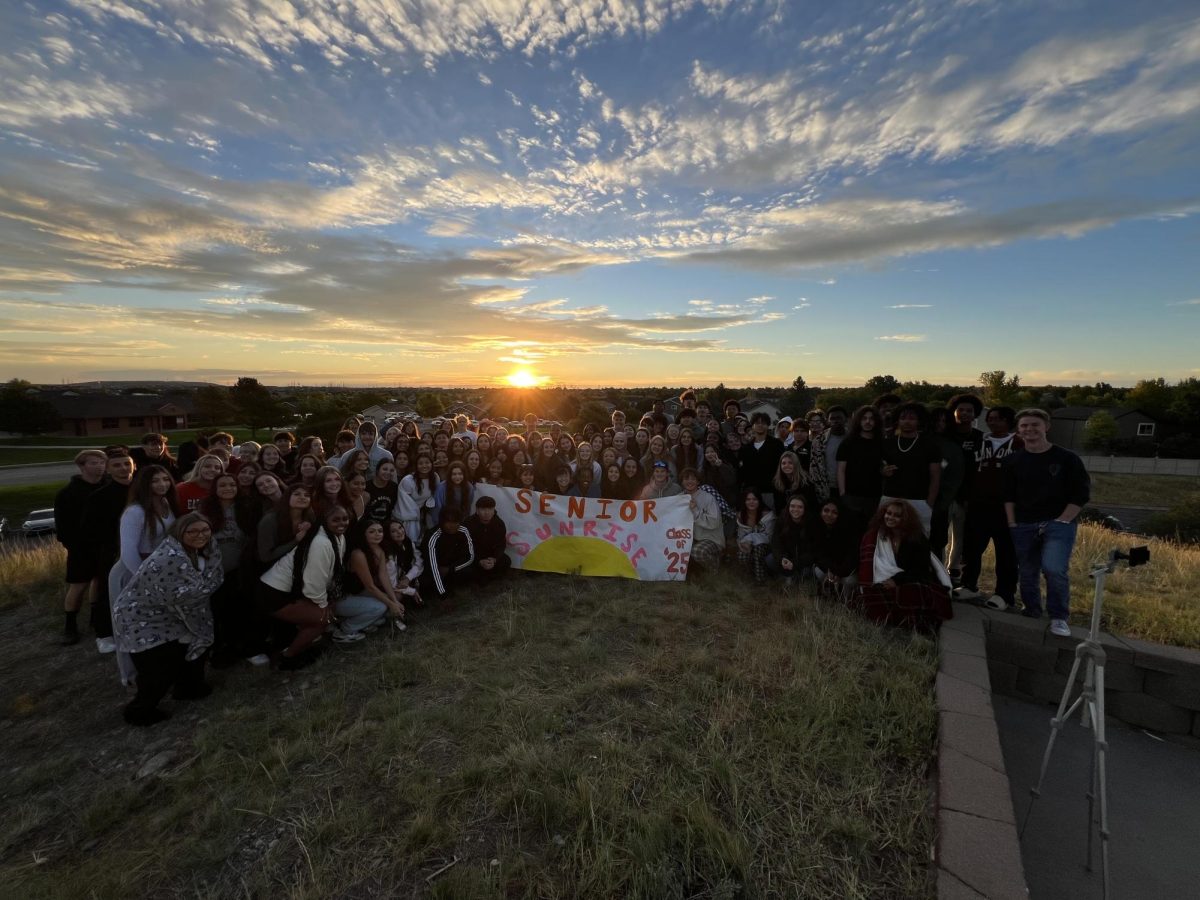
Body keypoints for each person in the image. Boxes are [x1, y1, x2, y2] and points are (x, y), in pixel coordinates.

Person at [112, 512, 224, 725]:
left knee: (183, 650)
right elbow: (180, 596)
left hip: (171, 612)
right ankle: (140, 711)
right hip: (141, 616)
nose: (200, 535)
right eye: (192, 531)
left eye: (205, 530)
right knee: (158, 666)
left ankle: (188, 687)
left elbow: (208, 579)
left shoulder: (206, 549)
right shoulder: (169, 559)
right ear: (179, 532)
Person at [1003, 409, 1090, 636]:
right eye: (1024, 426)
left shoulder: (1067, 458)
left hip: (1057, 523)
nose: (1029, 430)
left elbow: (1080, 494)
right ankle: (1031, 610)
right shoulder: (1012, 460)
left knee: (1054, 569)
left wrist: (1063, 520)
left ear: (1046, 427)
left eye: (1035, 425)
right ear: (1018, 430)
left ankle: (1059, 616)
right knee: (1028, 571)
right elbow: (1008, 496)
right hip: (1023, 523)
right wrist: (1012, 524)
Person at [258, 505, 352, 669]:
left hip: (289, 590)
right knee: (324, 618)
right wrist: (322, 604)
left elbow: (329, 574)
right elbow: (313, 583)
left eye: (345, 519)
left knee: (322, 616)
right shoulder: (321, 542)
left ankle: (301, 647)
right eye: (335, 519)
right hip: (273, 592)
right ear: (325, 521)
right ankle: (287, 658)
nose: (341, 523)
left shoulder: (338, 537)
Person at [957, 406, 1023, 610]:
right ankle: (969, 585)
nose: (994, 422)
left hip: (1007, 507)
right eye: (991, 418)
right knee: (972, 548)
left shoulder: (1019, 443)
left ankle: (1004, 594)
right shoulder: (979, 440)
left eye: (999, 419)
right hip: (978, 504)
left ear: (1009, 421)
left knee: (1006, 553)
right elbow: (967, 470)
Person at [855, 500, 952, 629]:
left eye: (897, 515)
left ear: (906, 519)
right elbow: (869, 563)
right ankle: (884, 619)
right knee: (873, 592)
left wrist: (896, 580)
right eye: (888, 513)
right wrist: (886, 579)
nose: (890, 517)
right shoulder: (877, 535)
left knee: (910, 592)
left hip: (914, 578)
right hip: (884, 578)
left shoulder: (916, 538)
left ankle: (903, 621)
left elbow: (920, 569)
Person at [79, 451, 137, 653]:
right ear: (109, 469)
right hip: (111, 551)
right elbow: (90, 530)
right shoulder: (99, 497)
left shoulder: (142, 491)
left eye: (127, 464)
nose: (123, 469)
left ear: (134, 466)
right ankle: (104, 634)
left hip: (142, 548)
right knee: (109, 592)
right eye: (117, 465)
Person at [55, 449, 107, 645]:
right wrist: (75, 546)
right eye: (94, 463)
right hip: (81, 548)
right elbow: (64, 527)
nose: (99, 466)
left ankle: (95, 618)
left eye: (102, 462)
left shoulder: (108, 486)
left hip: (104, 546)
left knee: (98, 582)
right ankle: (70, 626)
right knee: (78, 585)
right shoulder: (68, 493)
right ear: (82, 466)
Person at [878, 402, 940, 535]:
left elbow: (935, 477)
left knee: (917, 542)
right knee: (886, 540)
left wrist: (929, 503)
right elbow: (878, 468)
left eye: (912, 418)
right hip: (890, 498)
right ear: (898, 421)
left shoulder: (929, 445)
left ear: (919, 421)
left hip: (919, 500)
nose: (907, 422)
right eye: (903, 418)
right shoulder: (888, 443)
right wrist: (883, 471)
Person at [946, 393, 985, 584]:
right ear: (954, 411)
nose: (965, 413)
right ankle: (935, 570)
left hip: (966, 495)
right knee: (938, 537)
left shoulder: (980, 438)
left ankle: (953, 570)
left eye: (969, 410)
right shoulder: (944, 435)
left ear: (975, 414)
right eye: (960, 409)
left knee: (960, 537)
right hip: (944, 494)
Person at [342, 520, 405, 634]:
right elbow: (370, 586)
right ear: (363, 534)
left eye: (380, 531)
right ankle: (346, 628)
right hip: (345, 596)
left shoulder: (379, 550)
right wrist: (391, 604)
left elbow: (383, 576)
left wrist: (394, 601)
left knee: (393, 598)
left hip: (360, 592)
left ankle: (365, 621)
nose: (377, 534)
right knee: (380, 607)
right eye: (372, 531)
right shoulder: (358, 554)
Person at [835, 406, 883, 540]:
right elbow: (841, 469)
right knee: (852, 535)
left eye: (871, 419)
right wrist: (843, 493)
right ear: (859, 421)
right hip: (852, 496)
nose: (868, 422)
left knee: (871, 536)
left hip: (874, 497)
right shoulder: (848, 442)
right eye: (864, 418)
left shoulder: (881, 443)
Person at [422, 508, 476, 600]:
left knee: (469, 571)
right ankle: (441, 590)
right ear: (442, 522)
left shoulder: (463, 530)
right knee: (426, 583)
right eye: (449, 522)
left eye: (456, 522)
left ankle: (454, 587)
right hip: (435, 568)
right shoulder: (433, 536)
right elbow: (432, 567)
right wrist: (443, 595)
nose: (452, 526)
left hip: (452, 567)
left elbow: (470, 557)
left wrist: (450, 569)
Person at [810, 500, 857, 598]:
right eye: (826, 511)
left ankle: (845, 604)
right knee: (818, 573)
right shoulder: (816, 527)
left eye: (834, 512)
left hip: (845, 570)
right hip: (828, 568)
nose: (829, 515)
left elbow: (852, 556)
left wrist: (838, 573)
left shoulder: (849, 530)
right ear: (820, 512)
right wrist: (831, 570)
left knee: (848, 581)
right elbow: (818, 555)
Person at [680, 468, 723, 573]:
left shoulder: (708, 498)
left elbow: (714, 522)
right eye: (686, 479)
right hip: (689, 538)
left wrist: (695, 510)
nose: (689, 481)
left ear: (698, 481)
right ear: (682, 481)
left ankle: (714, 570)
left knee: (698, 551)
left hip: (710, 538)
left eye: (693, 479)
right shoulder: (679, 498)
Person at [465, 495, 511, 585]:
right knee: (465, 568)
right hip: (474, 555)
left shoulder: (499, 523)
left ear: (494, 510)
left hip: (490, 555)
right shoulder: (468, 523)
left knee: (506, 561)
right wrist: (478, 560)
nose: (487, 512)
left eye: (490, 509)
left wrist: (494, 558)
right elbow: (465, 546)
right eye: (483, 509)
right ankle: (482, 576)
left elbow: (501, 544)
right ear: (477, 511)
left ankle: (487, 576)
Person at [769, 494, 814, 586]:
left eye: (800, 507)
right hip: (786, 559)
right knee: (769, 559)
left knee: (807, 573)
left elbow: (812, 551)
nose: (795, 509)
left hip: (802, 562)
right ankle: (785, 576)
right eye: (792, 506)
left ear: (804, 509)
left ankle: (795, 579)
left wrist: (795, 563)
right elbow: (776, 543)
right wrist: (782, 558)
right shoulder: (782, 520)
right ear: (788, 507)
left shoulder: (811, 524)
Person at [735, 489, 775, 584]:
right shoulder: (741, 515)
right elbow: (740, 536)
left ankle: (761, 580)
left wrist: (751, 539)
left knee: (758, 549)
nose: (751, 502)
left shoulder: (768, 515)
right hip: (748, 544)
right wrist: (743, 544)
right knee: (742, 555)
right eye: (748, 499)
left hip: (767, 545)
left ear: (759, 501)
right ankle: (748, 578)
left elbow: (769, 537)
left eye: (754, 499)